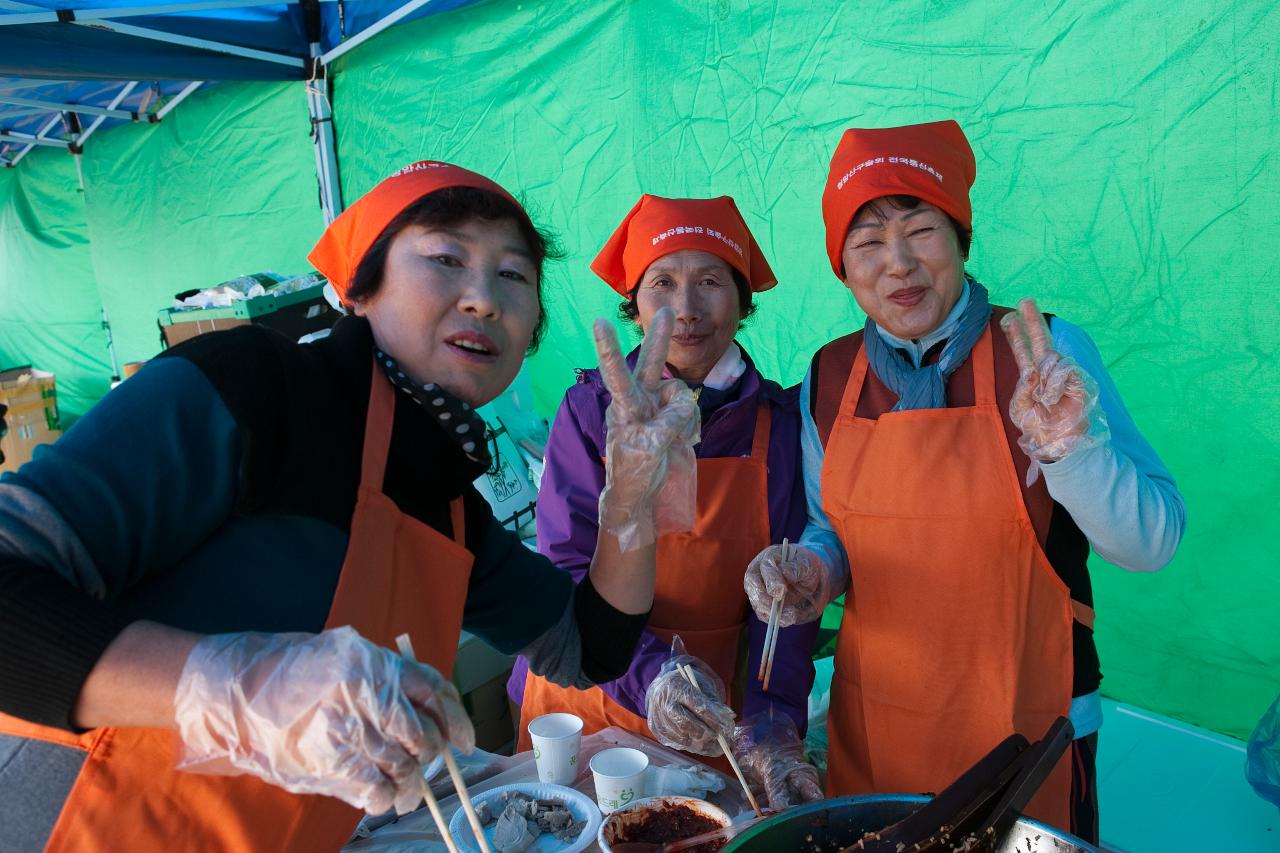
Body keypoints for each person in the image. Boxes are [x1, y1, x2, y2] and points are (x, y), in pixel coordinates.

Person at [0, 161, 698, 851]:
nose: (484, 297)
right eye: (446, 257)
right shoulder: (256, 388)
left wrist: (630, 505)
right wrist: (236, 685)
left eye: (514, 275)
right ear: (361, 287)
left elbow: (589, 645)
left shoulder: (451, 509)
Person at [743, 121, 1185, 841]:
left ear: (960, 238)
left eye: (921, 230)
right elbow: (835, 526)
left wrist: (1075, 451)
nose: (898, 266)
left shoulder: (1043, 353)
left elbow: (1154, 540)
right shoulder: (828, 377)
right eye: (867, 245)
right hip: (875, 730)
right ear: (842, 268)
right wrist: (813, 570)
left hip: (1029, 737)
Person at [509, 194, 822, 809]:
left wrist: (775, 722)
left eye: (710, 281)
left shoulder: (777, 423)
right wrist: (653, 676)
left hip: (718, 717)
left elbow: (787, 597)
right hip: (585, 698)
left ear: (742, 301)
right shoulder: (589, 411)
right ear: (634, 305)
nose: (686, 309)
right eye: (663, 282)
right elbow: (566, 570)